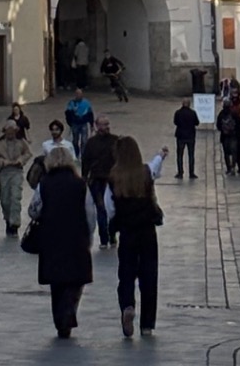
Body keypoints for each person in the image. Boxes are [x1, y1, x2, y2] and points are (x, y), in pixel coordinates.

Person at [29, 142, 96, 338]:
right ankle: (69, 310)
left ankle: (60, 320)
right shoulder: (80, 184)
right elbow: (89, 212)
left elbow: (34, 209)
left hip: (51, 237)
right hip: (77, 237)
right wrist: (89, 235)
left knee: (56, 282)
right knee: (76, 279)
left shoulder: (44, 184)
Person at [107, 137, 165, 338]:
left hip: (127, 232)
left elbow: (109, 207)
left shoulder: (114, 176)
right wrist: (161, 154)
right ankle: (147, 324)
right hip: (147, 230)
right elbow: (155, 170)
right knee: (149, 276)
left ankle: (128, 306)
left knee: (126, 275)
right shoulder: (145, 172)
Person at [80, 114, 119, 248]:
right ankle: (104, 238)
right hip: (97, 180)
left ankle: (112, 234)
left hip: (113, 180)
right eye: (103, 124)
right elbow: (85, 161)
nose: (106, 127)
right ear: (97, 126)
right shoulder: (91, 143)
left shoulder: (116, 140)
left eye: (107, 124)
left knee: (113, 209)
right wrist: (84, 177)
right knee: (101, 209)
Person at [0, 122, 30, 237]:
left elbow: (28, 153)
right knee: (5, 199)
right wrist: (2, 162)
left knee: (15, 197)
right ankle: (8, 219)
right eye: (8, 131)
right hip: (4, 173)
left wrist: (21, 160)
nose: (11, 133)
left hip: (16, 171)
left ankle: (15, 224)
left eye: (13, 131)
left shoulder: (21, 142)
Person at [172, 99, 199, 180]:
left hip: (180, 136)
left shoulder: (178, 113)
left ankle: (180, 173)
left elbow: (175, 122)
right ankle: (191, 173)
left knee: (179, 155)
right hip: (190, 136)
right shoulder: (193, 113)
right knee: (191, 155)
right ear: (189, 104)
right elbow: (197, 123)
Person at [65, 87, 95, 158]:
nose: (79, 95)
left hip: (84, 124)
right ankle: (76, 153)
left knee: (84, 141)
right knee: (75, 141)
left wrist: (91, 124)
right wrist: (70, 123)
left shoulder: (86, 103)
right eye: (77, 93)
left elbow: (90, 114)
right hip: (75, 124)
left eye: (80, 93)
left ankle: (83, 155)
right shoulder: (71, 103)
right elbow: (67, 114)